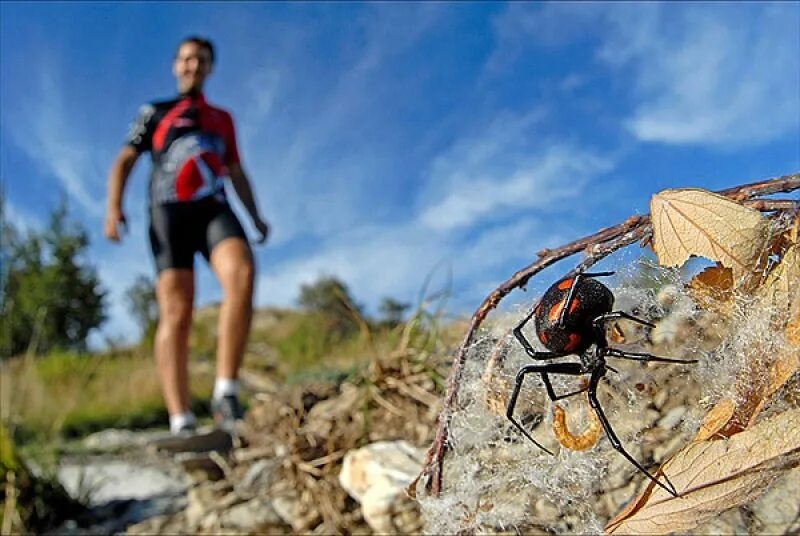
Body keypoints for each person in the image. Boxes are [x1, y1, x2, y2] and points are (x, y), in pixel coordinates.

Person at [104, 36, 269, 436]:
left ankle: (225, 391)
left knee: (242, 274)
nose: (193, 66)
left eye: (201, 60)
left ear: (210, 68)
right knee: (177, 311)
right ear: (176, 65)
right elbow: (125, 159)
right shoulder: (155, 111)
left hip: (214, 207)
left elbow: (235, 170)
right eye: (186, 59)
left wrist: (255, 217)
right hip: (169, 211)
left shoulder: (222, 119)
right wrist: (114, 207)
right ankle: (180, 418)